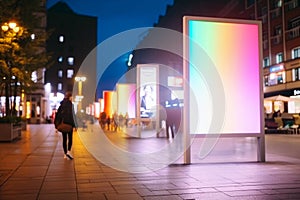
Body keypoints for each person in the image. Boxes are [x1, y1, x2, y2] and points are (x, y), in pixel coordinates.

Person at [55, 91, 77, 160]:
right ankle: (69, 152)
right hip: (69, 124)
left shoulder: (61, 105)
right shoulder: (71, 105)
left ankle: (65, 154)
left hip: (63, 124)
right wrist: (75, 125)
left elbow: (57, 115)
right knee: (70, 138)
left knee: (64, 139)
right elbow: (73, 116)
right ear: (70, 97)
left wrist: (56, 125)